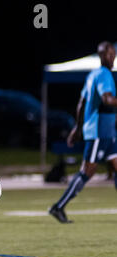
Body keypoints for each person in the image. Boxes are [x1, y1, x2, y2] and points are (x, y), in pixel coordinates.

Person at [49, 41, 117, 223]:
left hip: (108, 132)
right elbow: (108, 99)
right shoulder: (104, 75)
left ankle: (59, 207)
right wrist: (79, 129)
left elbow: (81, 103)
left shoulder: (92, 75)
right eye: (108, 54)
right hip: (99, 132)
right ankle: (58, 206)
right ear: (101, 56)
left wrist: (77, 129)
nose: (111, 57)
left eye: (113, 54)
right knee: (87, 171)